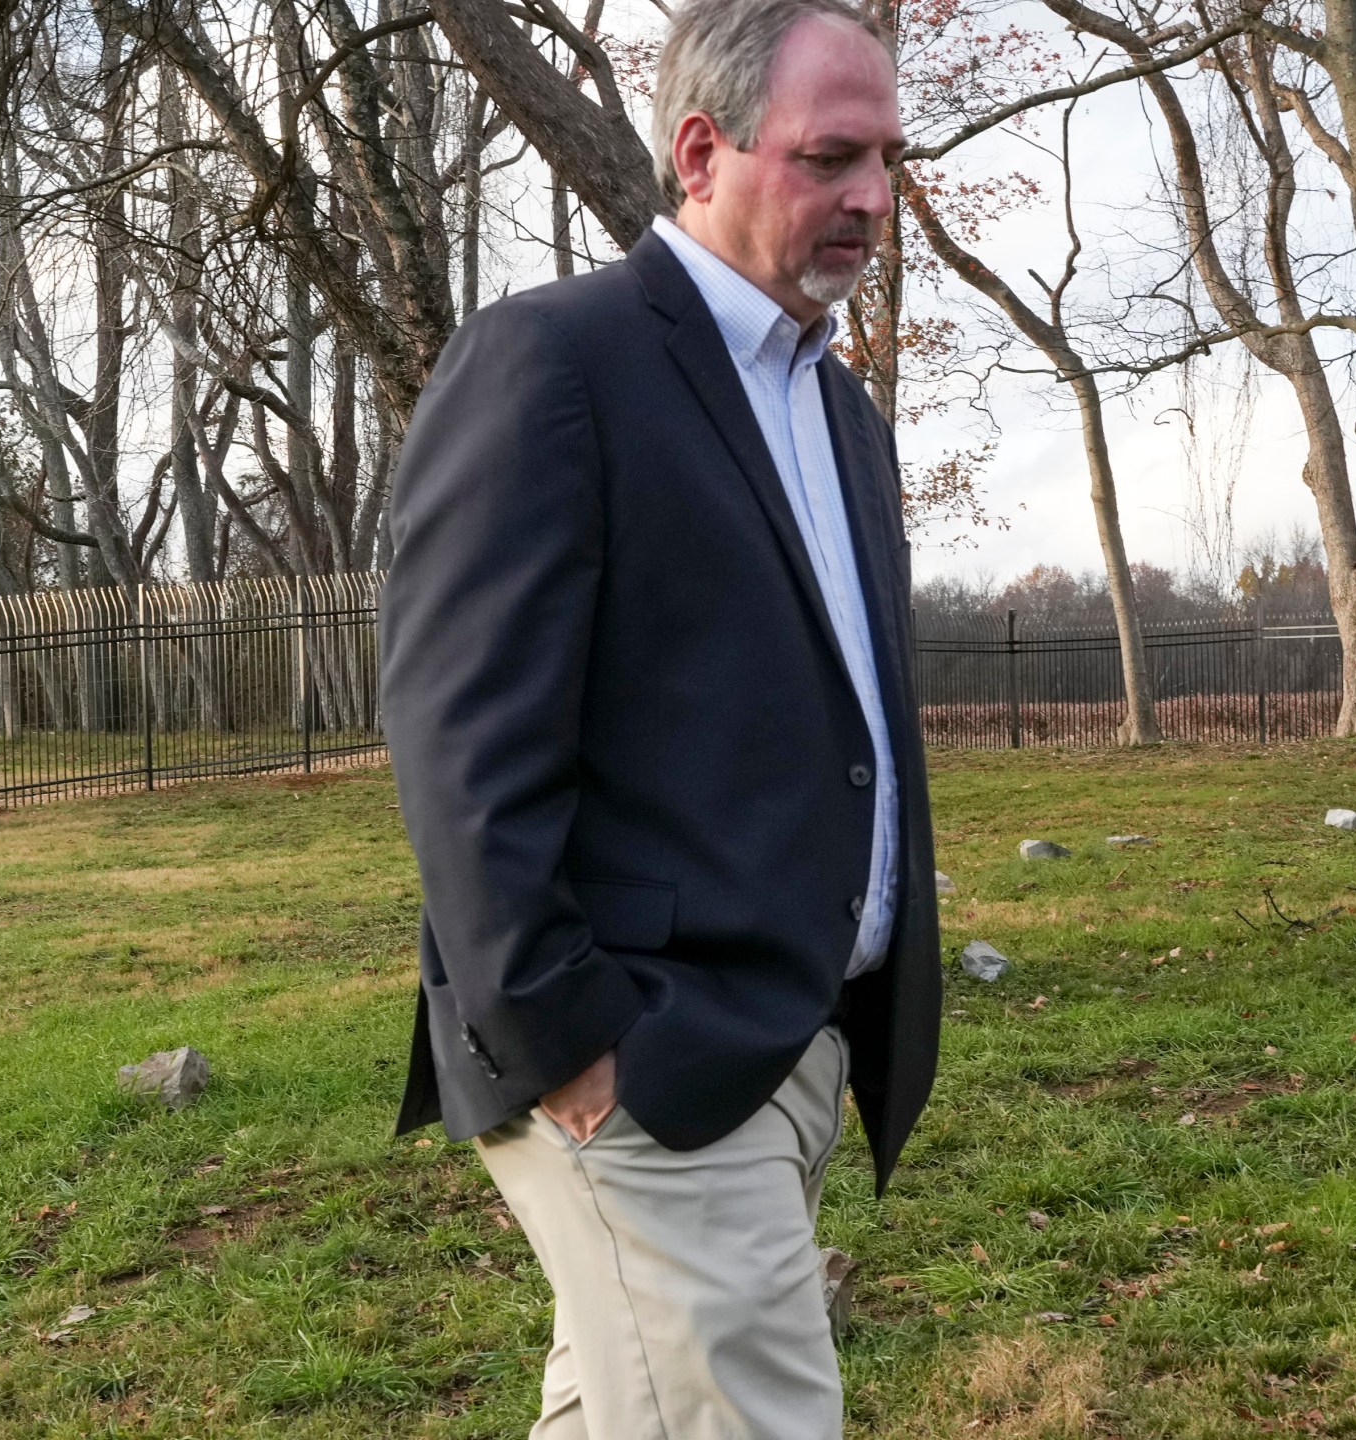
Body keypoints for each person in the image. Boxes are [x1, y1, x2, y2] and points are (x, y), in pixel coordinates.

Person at [378, 0, 937, 1433]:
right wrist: (571, 1045)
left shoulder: (846, 417)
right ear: (701, 149)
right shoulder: (558, 363)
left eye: (887, 159)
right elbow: (460, 734)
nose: (871, 199)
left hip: (799, 1044)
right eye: (830, 157)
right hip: (646, 1068)